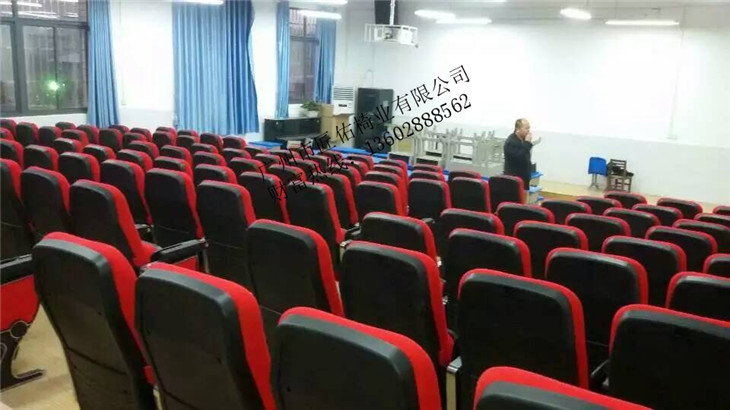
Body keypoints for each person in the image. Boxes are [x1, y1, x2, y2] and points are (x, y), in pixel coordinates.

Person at [503, 118, 541, 191]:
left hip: (524, 178)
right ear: (518, 129)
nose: (528, 131)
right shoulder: (510, 142)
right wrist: (527, 143)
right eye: (526, 128)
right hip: (514, 180)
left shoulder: (522, 140)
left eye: (529, 128)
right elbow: (519, 157)